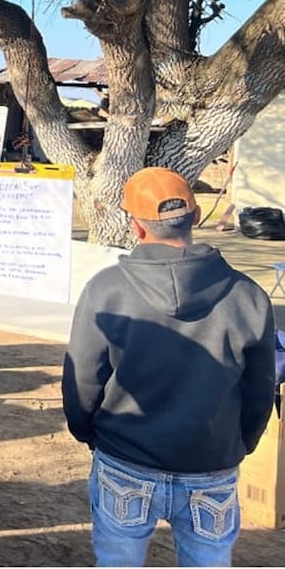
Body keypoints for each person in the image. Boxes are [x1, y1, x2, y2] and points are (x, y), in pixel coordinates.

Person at [62, 166, 277, 567]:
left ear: (136, 227)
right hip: (211, 463)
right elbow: (260, 389)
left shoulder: (106, 290)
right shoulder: (248, 296)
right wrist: (239, 444)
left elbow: (83, 379)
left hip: (125, 457)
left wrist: (88, 432)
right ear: (196, 215)